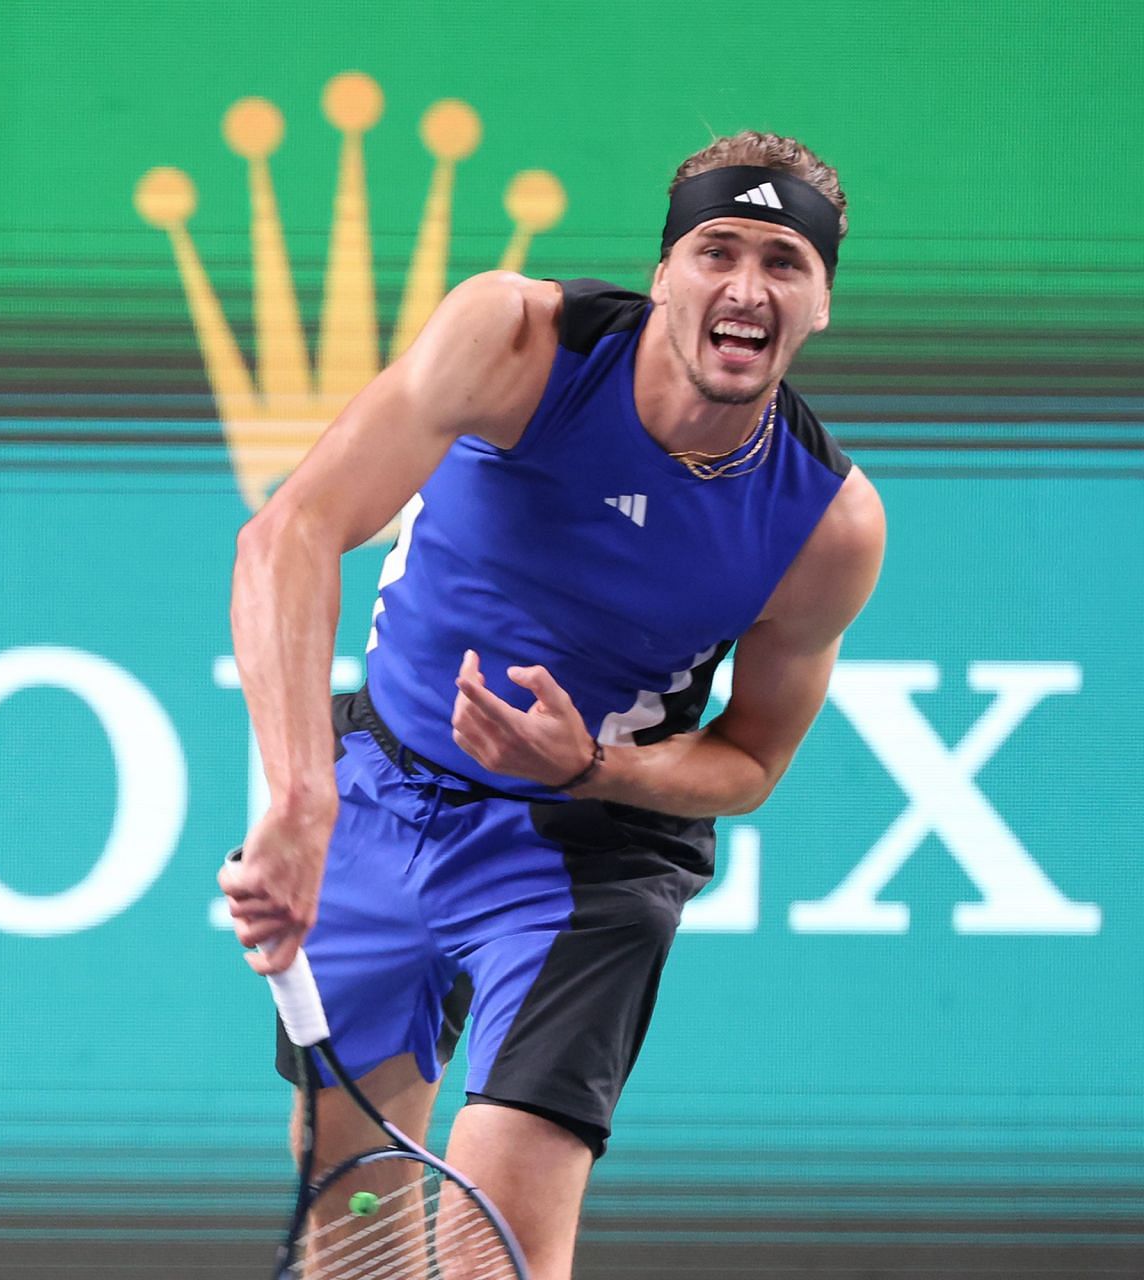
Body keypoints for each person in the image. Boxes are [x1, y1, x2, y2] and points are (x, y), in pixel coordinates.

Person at [218, 131, 886, 1280]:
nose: (745, 285)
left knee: (495, 1245)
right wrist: (299, 797)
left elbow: (750, 757)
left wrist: (596, 769)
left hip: (583, 857)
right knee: (355, 1214)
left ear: (822, 301)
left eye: (784, 262)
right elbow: (290, 534)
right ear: (664, 270)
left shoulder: (826, 524)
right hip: (380, 791)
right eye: (716, 248)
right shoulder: (520, 343)